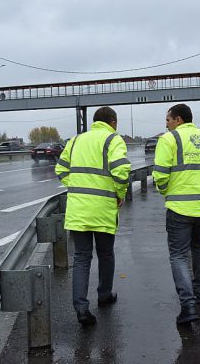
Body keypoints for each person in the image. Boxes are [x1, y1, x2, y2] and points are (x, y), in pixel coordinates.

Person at [55, 106, 132, 327]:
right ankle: (104, 295)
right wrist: (120, 194)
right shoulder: (113, 140)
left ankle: (81, 308)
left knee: (81, 258)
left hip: (78, 210)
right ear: (113, 123)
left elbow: (61, 170)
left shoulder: (76, 141)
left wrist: (77, 187)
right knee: (106, 253)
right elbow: (120, 170)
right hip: (103, 209)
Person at [152, 104, 200, 325]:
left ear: (178, 120)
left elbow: (160, 175)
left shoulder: (169, 140)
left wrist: (167, 191)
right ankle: (199, 294)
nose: (166, 124)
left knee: (178, 255)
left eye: (168, 120)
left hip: (179, 208)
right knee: (199, 247)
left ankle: (188, 305)